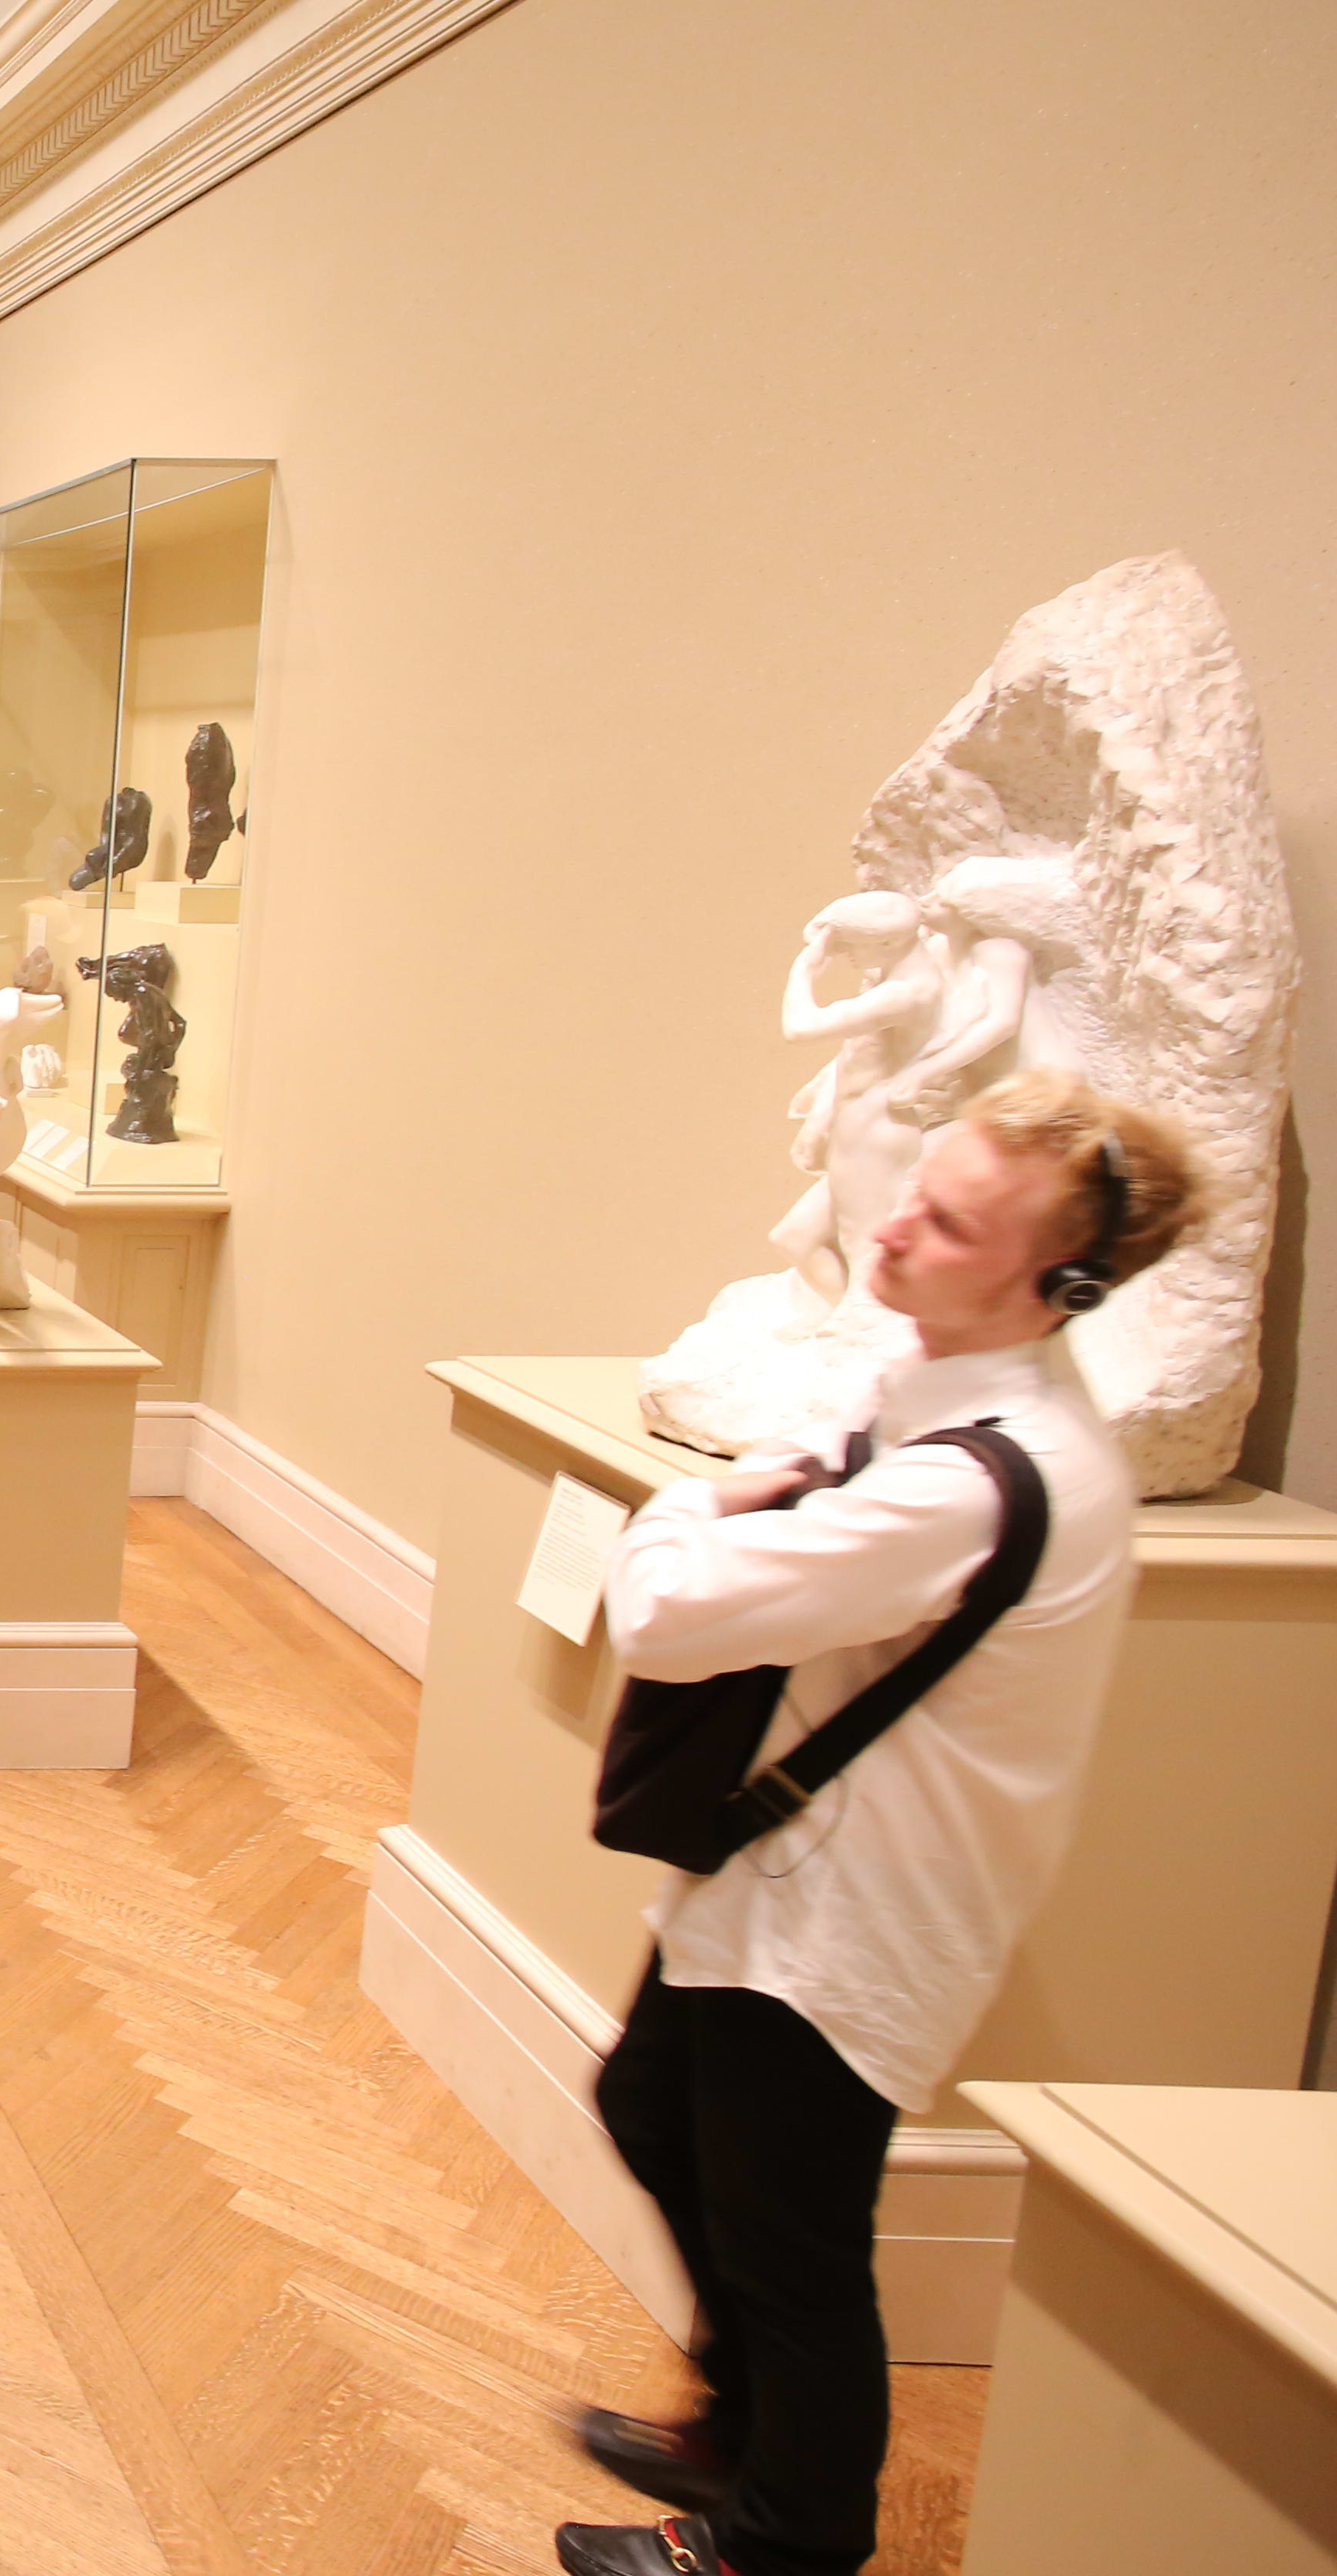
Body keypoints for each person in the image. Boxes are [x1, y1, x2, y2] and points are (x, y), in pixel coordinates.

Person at [552, 1071, 1203, 2576]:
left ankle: (782, 2542)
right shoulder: (933, 1382)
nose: (897, 1224)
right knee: (653, 2107)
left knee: (794, 2249)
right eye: (921, 1187)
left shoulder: (985, 1480)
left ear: (1057, 1284)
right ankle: (742, 2434)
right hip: (788, 1876)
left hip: (858, 1919)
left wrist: (692, 1507)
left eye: (950, 1219)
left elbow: (664, 1615)